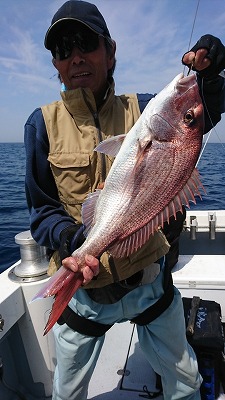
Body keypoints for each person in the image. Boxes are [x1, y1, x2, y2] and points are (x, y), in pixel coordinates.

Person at [24, 1, 225, 399]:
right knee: (66, 391)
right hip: (85, 292)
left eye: (86, 43)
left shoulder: (145, 108)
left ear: (110, 51)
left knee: (184, 381)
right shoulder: (41, 124)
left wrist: (212, 76)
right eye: (63, 49)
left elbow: (204, 111)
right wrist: (70, 243)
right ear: (56, 63)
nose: (76, 56)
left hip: (148, 282)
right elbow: (42, 210)